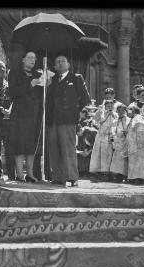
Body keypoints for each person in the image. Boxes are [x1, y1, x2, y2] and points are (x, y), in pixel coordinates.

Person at [46, 54, 91, 187]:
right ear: (54, 66)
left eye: (63, 61)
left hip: (67, 120)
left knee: (68, 148)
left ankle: (72, 177)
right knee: (54, 149)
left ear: (68, 64)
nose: (60, 63)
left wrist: (75, 111)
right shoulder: (52, 80)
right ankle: (58, 177)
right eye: (57, 62)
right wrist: (46, 87)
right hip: (52, 120)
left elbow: (85, 99)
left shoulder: (76, 78)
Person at [8, 51, 43, 183]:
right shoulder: (14, 73)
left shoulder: (37, 74)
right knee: (20, 144)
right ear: (23, 59)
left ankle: (30, 174)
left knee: (31, 145)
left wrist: (46, 84)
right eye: (29, 57)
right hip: (19, 114)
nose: (32, 60)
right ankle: (19, 174)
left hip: (34, 115)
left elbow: (41, 95)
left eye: (34, 58)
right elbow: (13, 92)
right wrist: (30, 85)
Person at [0, 60, 16, 181]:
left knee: (10, 148)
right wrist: (0, 108)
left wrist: (9, 109)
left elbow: (14, 100)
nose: (2, 70)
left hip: (9, 120)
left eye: (3, 68)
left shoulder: (10, 85)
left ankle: (12, 175)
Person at [125, 105, 144, 185]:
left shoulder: (138, 119)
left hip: (139, 145)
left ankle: (140, 178)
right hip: (134, 145)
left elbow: (141, 131)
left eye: (128, 110)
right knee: (135, 162)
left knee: (140, 162)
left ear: (134, 111)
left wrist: (140, 143)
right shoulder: (134, 119)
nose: (127, 113)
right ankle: (134, 177)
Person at [89, 99, 117, 181]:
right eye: (108, 106)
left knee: (108, 155)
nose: (110, 107)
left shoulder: (115, 114)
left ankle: (107, 173)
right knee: (98, 154)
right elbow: (95, 121)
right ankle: (96, 173)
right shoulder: (102, 113)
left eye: (111, 106)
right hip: (101, 135)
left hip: (110, 136)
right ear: (105, 106)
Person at [109, 104, 130, 182]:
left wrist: (127, 133)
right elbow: (112, 130)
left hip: (125, 140)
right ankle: (117, 174)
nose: (120, 112)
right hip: (118, 140)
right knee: (117, 158)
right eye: (119, 111)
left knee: (125, 158)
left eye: (122, 110)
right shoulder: (115, 121)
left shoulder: (128, 120)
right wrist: (114, 137)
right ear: (117, 111)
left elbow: (130, 129)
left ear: (125, 111)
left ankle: (125, 174)